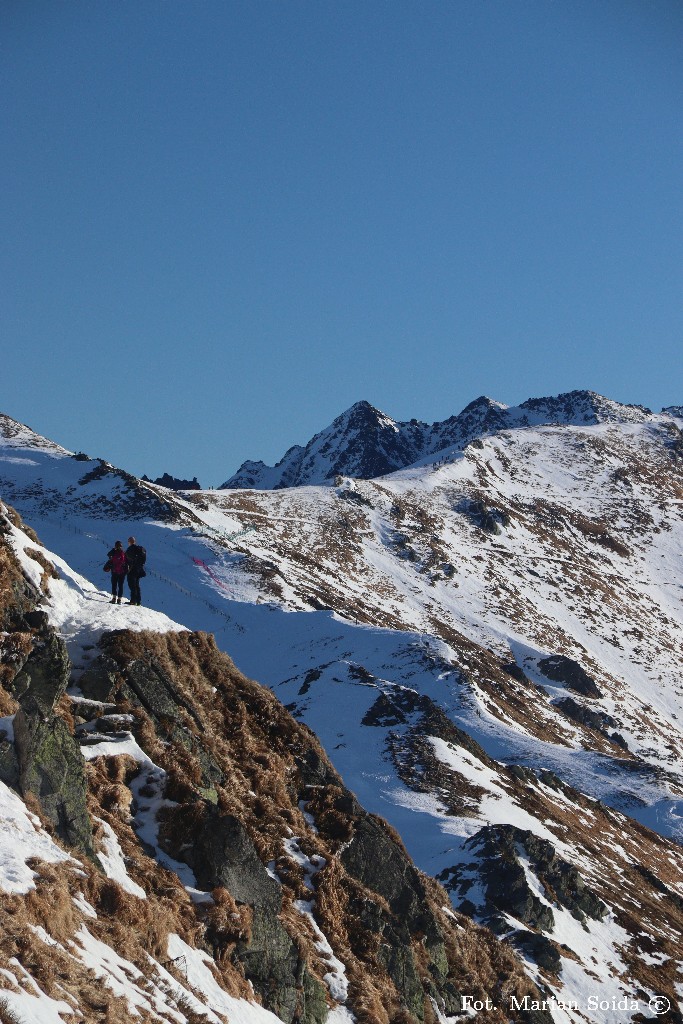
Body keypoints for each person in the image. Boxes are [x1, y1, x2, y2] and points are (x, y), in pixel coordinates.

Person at [126, 536, 146, 606]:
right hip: (139, 570)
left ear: (130, 542)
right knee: (137, 585)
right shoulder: (140, 549)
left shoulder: (130, 549)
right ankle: (138, 601)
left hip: (132, 569)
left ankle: (133, 601)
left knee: (132, 585)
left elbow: (127, 560)